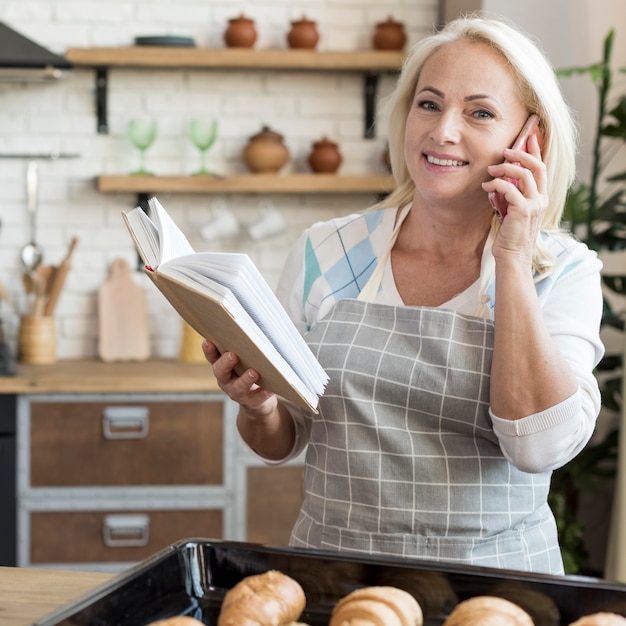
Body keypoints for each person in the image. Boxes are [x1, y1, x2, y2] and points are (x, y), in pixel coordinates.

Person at [203, 14, 604, 575]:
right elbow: (284, 439)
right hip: (335, 581)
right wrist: (259, 405)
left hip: (499, 592)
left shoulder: (563, 273)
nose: (443, 131)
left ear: (528, 139)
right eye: (430, 104)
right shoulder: (326, 251)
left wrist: (513, 256)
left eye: (480, 112)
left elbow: (538, 448)